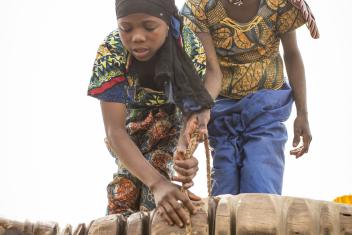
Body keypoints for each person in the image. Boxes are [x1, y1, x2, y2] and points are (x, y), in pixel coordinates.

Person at [87, 0, 219, 228]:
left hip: (171, 127)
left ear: (167, 23)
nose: (137, 37)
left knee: (160, 201)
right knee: (122, 198)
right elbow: (114, 131)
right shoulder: (111, 52)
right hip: (129, 135)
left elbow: (190, 114)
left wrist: (183, 150)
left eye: (149, 27)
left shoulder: (188, 48)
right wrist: (157, 184)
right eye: (126, 28)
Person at [181, 0, 319, 195]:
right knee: (225, 191)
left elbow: (292, 53)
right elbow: (213, 71)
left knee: (260, 181)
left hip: (266, 108)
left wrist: (302, 113)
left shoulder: (278, 3)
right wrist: (202, 111)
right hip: (221, 109)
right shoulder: (200, 7)